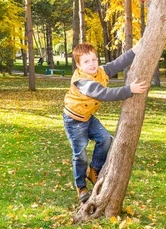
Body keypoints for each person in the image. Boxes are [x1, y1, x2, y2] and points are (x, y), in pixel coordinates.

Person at [63, 42, 149, 203]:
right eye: (86, 62)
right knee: (80, 154)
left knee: (106, 139)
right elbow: (103, 94)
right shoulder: (82, 81)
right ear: (79, 65)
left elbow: (117, 64)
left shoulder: (100, 71)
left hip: (88, 117)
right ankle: (80, 186)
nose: (92, 64)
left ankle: (94, 170)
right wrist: (129, 89)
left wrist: (135, 50)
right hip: (74, 120)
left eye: (94, 59)